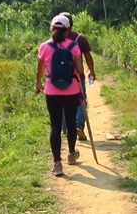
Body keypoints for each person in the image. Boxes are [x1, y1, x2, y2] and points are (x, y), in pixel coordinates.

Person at [36, 14, 84, 176]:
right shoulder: (74, 46)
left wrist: (38, 84)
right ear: (68, 30)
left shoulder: (44, 46)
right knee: (71, 122)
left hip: (51, 91)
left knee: (55, 126)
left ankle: (57, 164)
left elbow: (40, 69)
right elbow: (80, 70)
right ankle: (71, 154)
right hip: (71, 90)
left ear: (52, 29)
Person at [58, 11, 95, 141]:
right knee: (80, 101)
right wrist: (91, 71)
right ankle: (78, 125)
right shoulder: (80, 39)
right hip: (77, 76)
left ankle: (66, 128)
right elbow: (88, 57)